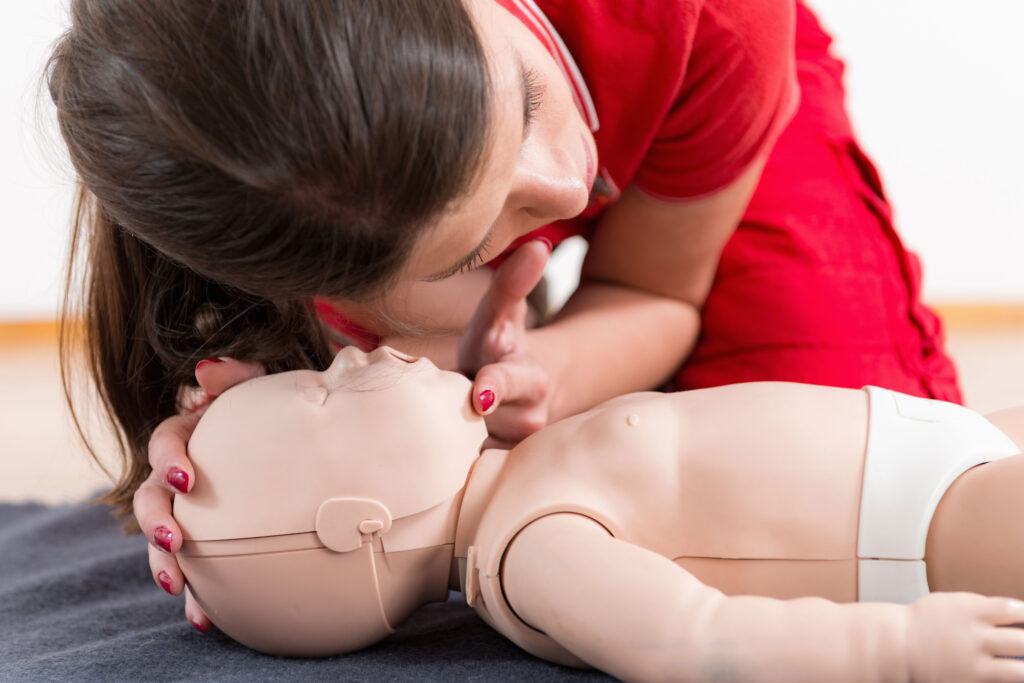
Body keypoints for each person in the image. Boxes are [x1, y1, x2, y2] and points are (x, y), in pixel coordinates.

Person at [46, 1, 961, 632]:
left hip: (706, 73)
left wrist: (559, 364)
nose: (570, 183)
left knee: (869, 485)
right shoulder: (319, 194)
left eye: (524, 100)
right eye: (474, 241)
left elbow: (658, 290)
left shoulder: (704, 23)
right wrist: (245, 458)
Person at [174, 346, 1024, 681]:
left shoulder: (516, 475)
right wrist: (903, 652)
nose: (352, 351)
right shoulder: (528, 555)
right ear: (354, 520)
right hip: (925, 524)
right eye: (328, 389)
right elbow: (695, 640)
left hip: (940, 440)